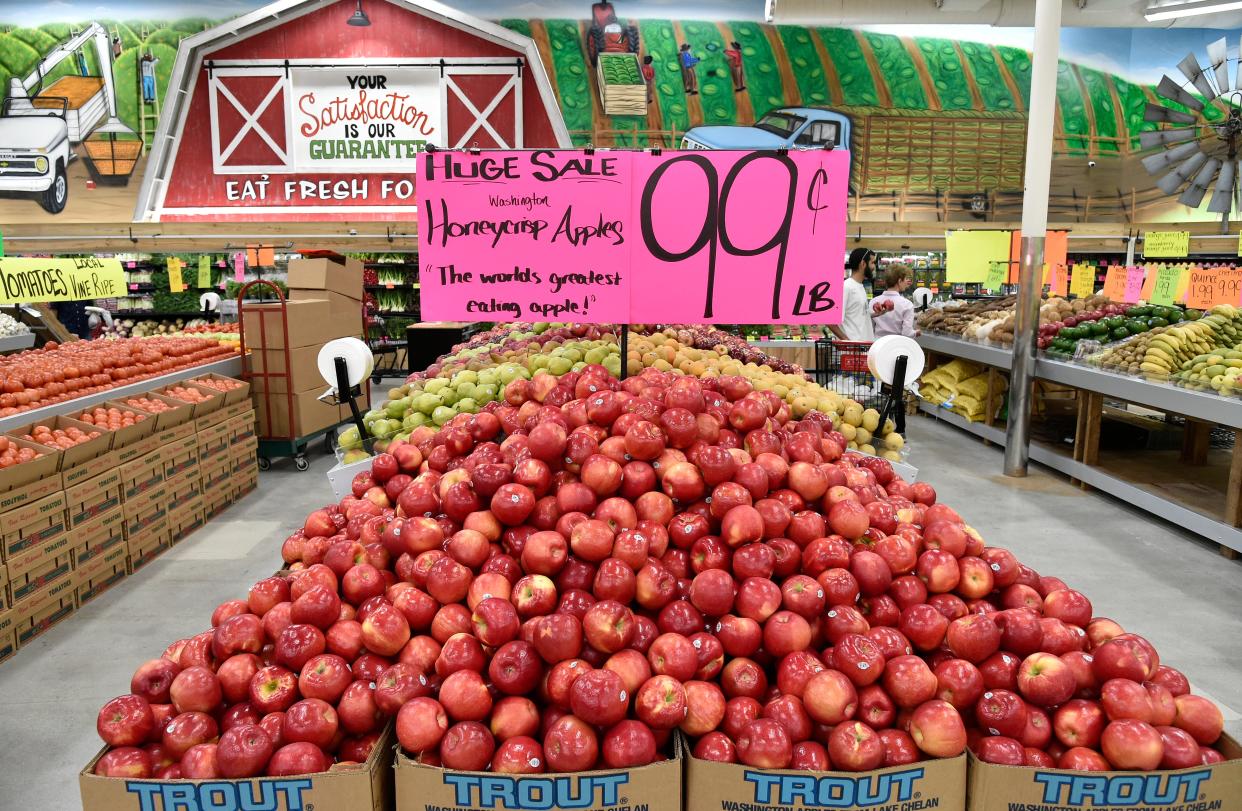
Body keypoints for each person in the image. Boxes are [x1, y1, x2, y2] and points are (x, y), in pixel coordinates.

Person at [829, 247, 876, 342]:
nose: (874, 267)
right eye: (872, 262)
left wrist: (877, 313)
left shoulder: (859, 286)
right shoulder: (846, 287)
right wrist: (847, 341)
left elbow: (856, 315)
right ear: (863, 264)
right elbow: (830, 321)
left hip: (863, 348)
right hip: (851, 351)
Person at [871, 265, 918, 339]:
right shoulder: (907, 304)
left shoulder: (873, 301)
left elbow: (870, 328)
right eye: (906, 279)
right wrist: (916, 333)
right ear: (899, 281)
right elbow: (907, 333)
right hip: (896, 346)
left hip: (877, 345)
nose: (907, 283)